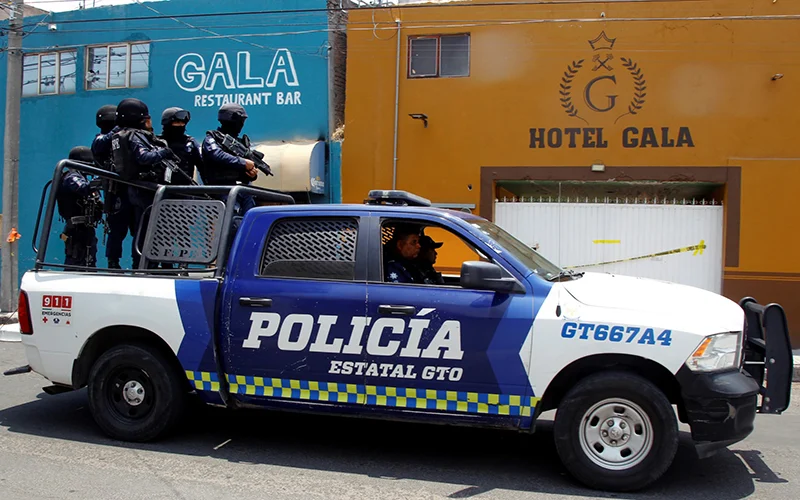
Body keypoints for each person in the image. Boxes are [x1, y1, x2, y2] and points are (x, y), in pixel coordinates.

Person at [111, 98, 178, 269]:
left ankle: (144, 264)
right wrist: (164, 152)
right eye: (145, 118)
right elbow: (143, 157)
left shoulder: (122, 135)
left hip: (137, 189)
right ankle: (147, 265)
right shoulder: (134, 136)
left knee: (145, 229)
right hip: (144, 190)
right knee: (152, 229)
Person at [92, 104, 135, 270]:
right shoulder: (102, 139)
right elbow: (100, 145)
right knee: (117, 229)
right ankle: (113, 262)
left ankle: (138, 262)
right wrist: (119, 130)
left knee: (138, 228)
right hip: (115, 190)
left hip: (131, 188)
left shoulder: (127, 136)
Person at [201, 103, 258, 212]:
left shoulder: (241, 143)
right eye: (240, 120)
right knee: (232, 220)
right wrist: (243, 162)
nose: (241, 124)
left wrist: (252, 174)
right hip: (223, 191)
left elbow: (248, 168)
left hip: (243, 191)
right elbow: (217, 155)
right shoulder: (212, 138)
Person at [57, 146, 103, 268]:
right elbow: (82, 187)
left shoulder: (80, 177)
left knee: (88, 263)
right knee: (76, 262)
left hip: (84, 229)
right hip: (76, 230)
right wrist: (102, 178)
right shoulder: (71, 177)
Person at [158, 107, 202, 186]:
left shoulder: (190, 143)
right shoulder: (157, 142)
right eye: (177, 122)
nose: (181, 125)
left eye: (183, 123)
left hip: (185, 189)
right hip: (160, 188)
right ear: (167, 123)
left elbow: (202, 167)